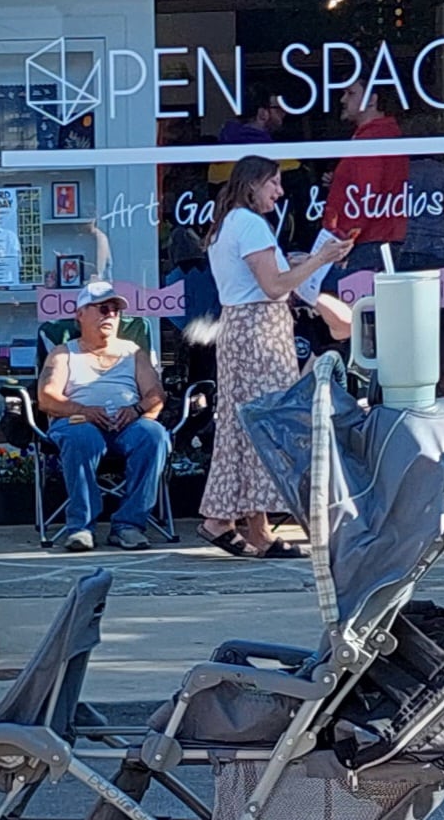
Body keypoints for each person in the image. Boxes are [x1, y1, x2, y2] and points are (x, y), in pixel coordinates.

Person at [198, 153, 352, 558]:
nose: (280, 192)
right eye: (274, 183)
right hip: (260, 331)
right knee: (270, 423)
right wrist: (319, 260)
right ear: (253, 183)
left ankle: (237, 522)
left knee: (245, 425)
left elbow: (268, 275)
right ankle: (251, 527)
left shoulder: (229, 222)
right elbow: (273, 285)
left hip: (239, 327)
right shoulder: (250, 224)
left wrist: (302, 261)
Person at [37, 286, 168, 552]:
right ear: (81, 314)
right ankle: (81, 527)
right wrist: (84, 411)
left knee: (153, 436)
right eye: (103, 309)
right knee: (81, 436)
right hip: (76, 420)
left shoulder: (133, 352)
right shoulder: (64, 353)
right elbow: (47, 398)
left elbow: (155, 395)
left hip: (128, 423)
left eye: (116, 311)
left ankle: (130, 525)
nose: (111, 315)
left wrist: (136, 412)